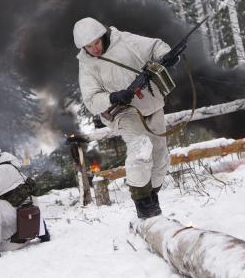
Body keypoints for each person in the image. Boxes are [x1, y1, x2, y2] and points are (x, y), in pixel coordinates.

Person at [73, 17, 172, 219]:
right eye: (89, 46)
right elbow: (91, 100)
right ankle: (144, 207)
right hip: (123, 112)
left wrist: (167, 56)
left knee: (160, 157)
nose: (94, 49)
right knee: (141, 147)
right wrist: (112, 97)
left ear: (103, 36)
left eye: (96, 43)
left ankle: (152, 199)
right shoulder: (87, 66)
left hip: (152, 103)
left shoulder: (124, 40)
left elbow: (155, 46)